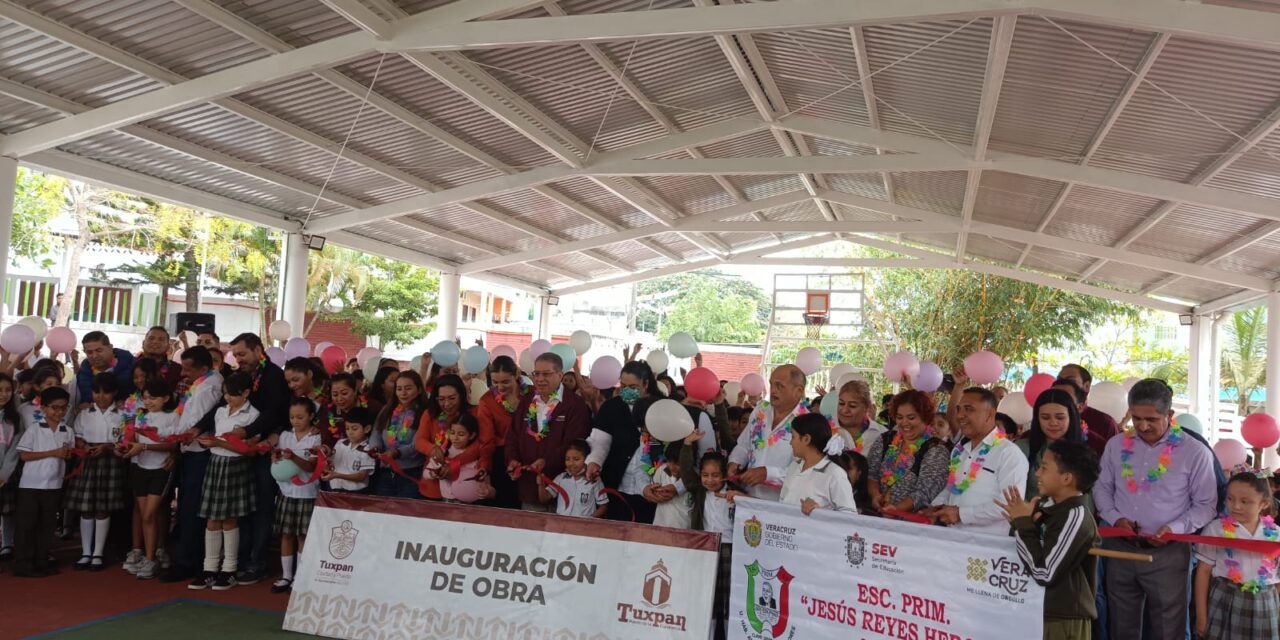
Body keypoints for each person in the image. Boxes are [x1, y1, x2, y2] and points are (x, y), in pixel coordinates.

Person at [1093, 379, 1217, 640]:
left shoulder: (1194, 452)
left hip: (1169, 553)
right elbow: (1101, 489)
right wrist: (1116, 519)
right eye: (1136, 418)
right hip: (1121, 549)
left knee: (1168, 628)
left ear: (1169, 415)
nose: (1142, 426)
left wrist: (1175, 529)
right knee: (1122, 626)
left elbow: (1206, 505)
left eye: (1151, 419)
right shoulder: (1116, 445)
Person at [999, 439, 1101, 640]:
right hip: (1037, 609)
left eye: (1044, 468)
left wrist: (1022, 523)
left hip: (1062, 620)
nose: (1037, 473)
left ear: (1066, 478)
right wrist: (1022, 522)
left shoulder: (1076, 515)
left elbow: (1044, 572)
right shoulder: (1047, 507)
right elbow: (1025, 550)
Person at [224, 333, 289, 587]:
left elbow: (275, 412)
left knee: (262, 507)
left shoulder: (273, 376)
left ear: (258, 350)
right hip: (242, 450)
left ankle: (257, 562)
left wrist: (248, 433)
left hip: (263, 450)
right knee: (243, 507)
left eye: (243, 354)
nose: (239, 360)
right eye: (236, 355)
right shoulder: (239, 376)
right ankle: (240, 559)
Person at [191, 372, 261, 592]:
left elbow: (250, 450)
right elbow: (215, 439)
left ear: (247, 393)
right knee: (212, 518)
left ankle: (229, 569)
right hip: (216, 464)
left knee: (230, 519)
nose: (228, 399)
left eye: (233, 395)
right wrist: (208, 443)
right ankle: (209, 568)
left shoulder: (253, 415)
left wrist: (218, 443)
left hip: (236, 466)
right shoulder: (220, 411)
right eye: (226, 394)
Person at [925, 387, 1027, 535]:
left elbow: (1009, 505)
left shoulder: (1009, 453)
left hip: (985, 549)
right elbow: (952, 488)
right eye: (959, 409)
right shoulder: (959, 451)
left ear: (990, 414)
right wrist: (936, 507)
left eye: (969, 409)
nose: (960, 416)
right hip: (951, 538)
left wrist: (961, 514)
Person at [161, 346, 224, 583]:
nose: (183, 373)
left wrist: (186, 434)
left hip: (200, 452)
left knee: (192, 508)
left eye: (188, 369)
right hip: (188, 450)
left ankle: (190, 561)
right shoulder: (199, 384)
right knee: (187, 506)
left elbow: (203, 420)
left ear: (204, 368)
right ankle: (188, 559)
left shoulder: (211, 386)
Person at [1193, 471, 1278, 640]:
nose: (1236, 506)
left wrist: (1274, 607)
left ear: (1264, 504)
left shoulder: (1275, 534)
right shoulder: (1215, 529)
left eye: (1245, 501)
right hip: (1224, 599)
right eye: (1230, 499)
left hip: (1264, 603)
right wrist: (1201, 616)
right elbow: (1203, 572)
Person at [506, 353, 592, 512]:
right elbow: (513, 435)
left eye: (546, 374)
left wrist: (546, 461)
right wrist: (512, 459)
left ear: (560, 375)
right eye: (536, 373)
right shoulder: (527, 401)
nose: (539, 379)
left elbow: (575, 443)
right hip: (529, 487)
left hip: (563, 489)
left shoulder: (574, 405)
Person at [65, 373, 128, 572]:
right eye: (96, 392)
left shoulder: (122, 414)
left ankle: (98, 553)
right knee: (86, 508)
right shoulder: (84, 413)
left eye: (106, 392)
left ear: (114, 393)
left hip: (110, 461)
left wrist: (107, 447)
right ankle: (85, 552)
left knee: (103, 508)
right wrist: (84, 445)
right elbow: (77, 435)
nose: (101, 396)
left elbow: (124, 440)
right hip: (88, 460)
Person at [121, 380, 182, 580]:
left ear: (166, 398)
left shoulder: (172, 417)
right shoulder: (141, 416)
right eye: (145, 397)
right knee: (144, 515)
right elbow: (135, 442)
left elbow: (173, 446)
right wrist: (124, 448)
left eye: (153, 398)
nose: (148, 401)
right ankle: (150, 556)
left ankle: (152, 557)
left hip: (160, 470)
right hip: (140, 468)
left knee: (149, 514)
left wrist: (145, 448)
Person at [586, 360, 661, 521]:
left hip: (652, 487)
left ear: (646, 383)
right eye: (624, 386)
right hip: (617, 484)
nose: (627, 391)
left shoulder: (661, 407)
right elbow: (600, 442)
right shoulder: (612, 407)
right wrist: (594, 462)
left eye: (633, 387)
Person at [13, 386, 74, 577]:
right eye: (54, 407)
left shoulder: (68, 431)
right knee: (27, 524)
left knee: (47, 524)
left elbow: (69, 454)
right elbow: (23, 455)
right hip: (31, 484)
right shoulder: (34, 429)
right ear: (44, 408)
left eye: (63, 408)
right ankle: (23, 563)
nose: (59, 412)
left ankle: (41, 560)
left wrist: (70, 454)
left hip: (54, 484)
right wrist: (53, 453)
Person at [728, 365, 811, 502]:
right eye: (772, 384)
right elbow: (744, 445)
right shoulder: (760, 411)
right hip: (747, 497)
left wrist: (768, 474)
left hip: (780, 506)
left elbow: (805, 472)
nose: (773, 390)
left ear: (799, 390)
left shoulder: (808, 423)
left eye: (780, 386)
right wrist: (735, 462)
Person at [865, 390, 949, 514]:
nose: (904, 423)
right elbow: (871, 474)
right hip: (876, 517)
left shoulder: (936, 449)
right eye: (899, 417)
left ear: (924, 417)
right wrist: (875, 495)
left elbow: (925, 492)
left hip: (910, 525)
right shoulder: (886, 439)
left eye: (911, 417)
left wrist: (897, 509)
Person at [271, 397, 322, 594]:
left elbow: (311, 466)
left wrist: (293, 457)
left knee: (302, 535)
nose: (295, 420)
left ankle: (300, 576)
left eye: (300, 417)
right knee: (286, 534)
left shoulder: (316, 438)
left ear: (311, 416)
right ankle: (286, 575)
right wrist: (275, 458)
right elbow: (278, 461)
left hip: (307, 492)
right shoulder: (285, 435)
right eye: (292, 417)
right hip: (286, 491)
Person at [1016, 389, 1086, 500]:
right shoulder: (1021, 449)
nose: (1053, 423)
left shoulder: (1083, 452)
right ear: (1037, 419)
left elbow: (1088, 498)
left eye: (1060, 417)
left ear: (1071, 417)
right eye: (1045, 417)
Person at [781, 413, 857, 515]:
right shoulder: (794, 466)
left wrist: (820, 512)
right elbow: (782, 501)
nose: (790, 443)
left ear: (806, 439)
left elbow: (850, 514)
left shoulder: (835, 473)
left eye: (793, 437)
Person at [417, 375, 476, 500]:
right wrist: (433, 449)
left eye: (452, 398)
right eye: (441, 399)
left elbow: (480, 446)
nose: (447, 404)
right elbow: (419, 441)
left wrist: (455, 464)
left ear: (461, 395)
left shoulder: (474, 413)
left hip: (465, 484)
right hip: (433, 484)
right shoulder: (430, 414)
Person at [476, 356, 525, 508]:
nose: (500, 387)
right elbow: (486, 439)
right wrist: (484, 465)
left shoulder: (532, 395)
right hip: (502, 458)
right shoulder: (487, 401)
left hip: (529, 454)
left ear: (516, 374)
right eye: (495, 382)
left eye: (505, 382)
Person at [370, 370, 428, 499]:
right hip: (385, 472)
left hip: (411, 473)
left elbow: (418, 444)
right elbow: (376, 432)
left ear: (419, 390)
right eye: (399, 389)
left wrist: (397, 452)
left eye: (408, 388)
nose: (403, 393)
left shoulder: (424, 413)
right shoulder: (387, 409)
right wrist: (375, 448)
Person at [435, 414, 492, 504]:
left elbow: (488, 488)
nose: (455, 438)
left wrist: (487, 492)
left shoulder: (477, 457)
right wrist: (435, 473)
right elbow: (428, 472)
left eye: (461, 434)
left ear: (472, 435)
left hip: (471, 505)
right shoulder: (444, 452)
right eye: (452, 433)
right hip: (447, 501)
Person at [539, 439, 605, 517]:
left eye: (576, 459)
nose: (571, 463)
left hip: (583, 527)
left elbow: (603, 507)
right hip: (561, 525)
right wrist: (540, 484)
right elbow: (544, 499)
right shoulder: (561, 478)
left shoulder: (594, 480)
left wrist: (588, 521)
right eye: (567, 459)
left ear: (587, 459)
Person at [1051, 378, 1111, 459]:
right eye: (1051, 398)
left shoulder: (1097, 444)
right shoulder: (1031, 439)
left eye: (1065, 399)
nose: (1056, 404)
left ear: (1081, 407)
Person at [75, 331, 135, 410]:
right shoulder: (84, 371)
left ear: (110, 348)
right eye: (89, 352)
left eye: (99, 350)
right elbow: (86, 398)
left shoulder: (131, 365)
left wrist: (129, 402)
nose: (95, 356)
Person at [1058, 364, 1119, 441]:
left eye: (1070, 381)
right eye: (1059, 380)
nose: (1062, 384)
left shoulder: (1105, 423)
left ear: (1086, 386)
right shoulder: (1043, 415)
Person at [322, 407, 376, 493]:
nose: (350, 432)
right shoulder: (340, 443)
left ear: (367, 429)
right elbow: (331, 464)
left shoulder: (368, 448)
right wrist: (324, 464)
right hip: (334, 490)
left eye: (354, 429)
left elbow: (361, 476)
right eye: (347, 428)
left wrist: (337, 475)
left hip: (357, 493)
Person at [834, 378, 887, 454]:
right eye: (841, 404)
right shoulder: (825, 429)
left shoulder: (881, 433)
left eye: (852, 406)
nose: (845, 410)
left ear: (866, 408)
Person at [0, 372, 21, 560]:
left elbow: (14, 449)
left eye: (8, 390)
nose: (4, 394)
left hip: (5, 475)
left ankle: (7, 544)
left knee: (7, 511)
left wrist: (4, 475)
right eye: (0, 390)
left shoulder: (14, 419)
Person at [648, 439, 693, 528]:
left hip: (685, 530)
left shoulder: (695, 477)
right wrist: (655, 495)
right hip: (660, 526)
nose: (672, 467)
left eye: (677, 463)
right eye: (669, 461)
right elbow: (650, 495)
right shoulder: (662, 471)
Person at [832, 450, 874, 515]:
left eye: (848, 468)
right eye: (840, 467)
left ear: (859, 474)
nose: (842, 471)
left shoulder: (866, 509)